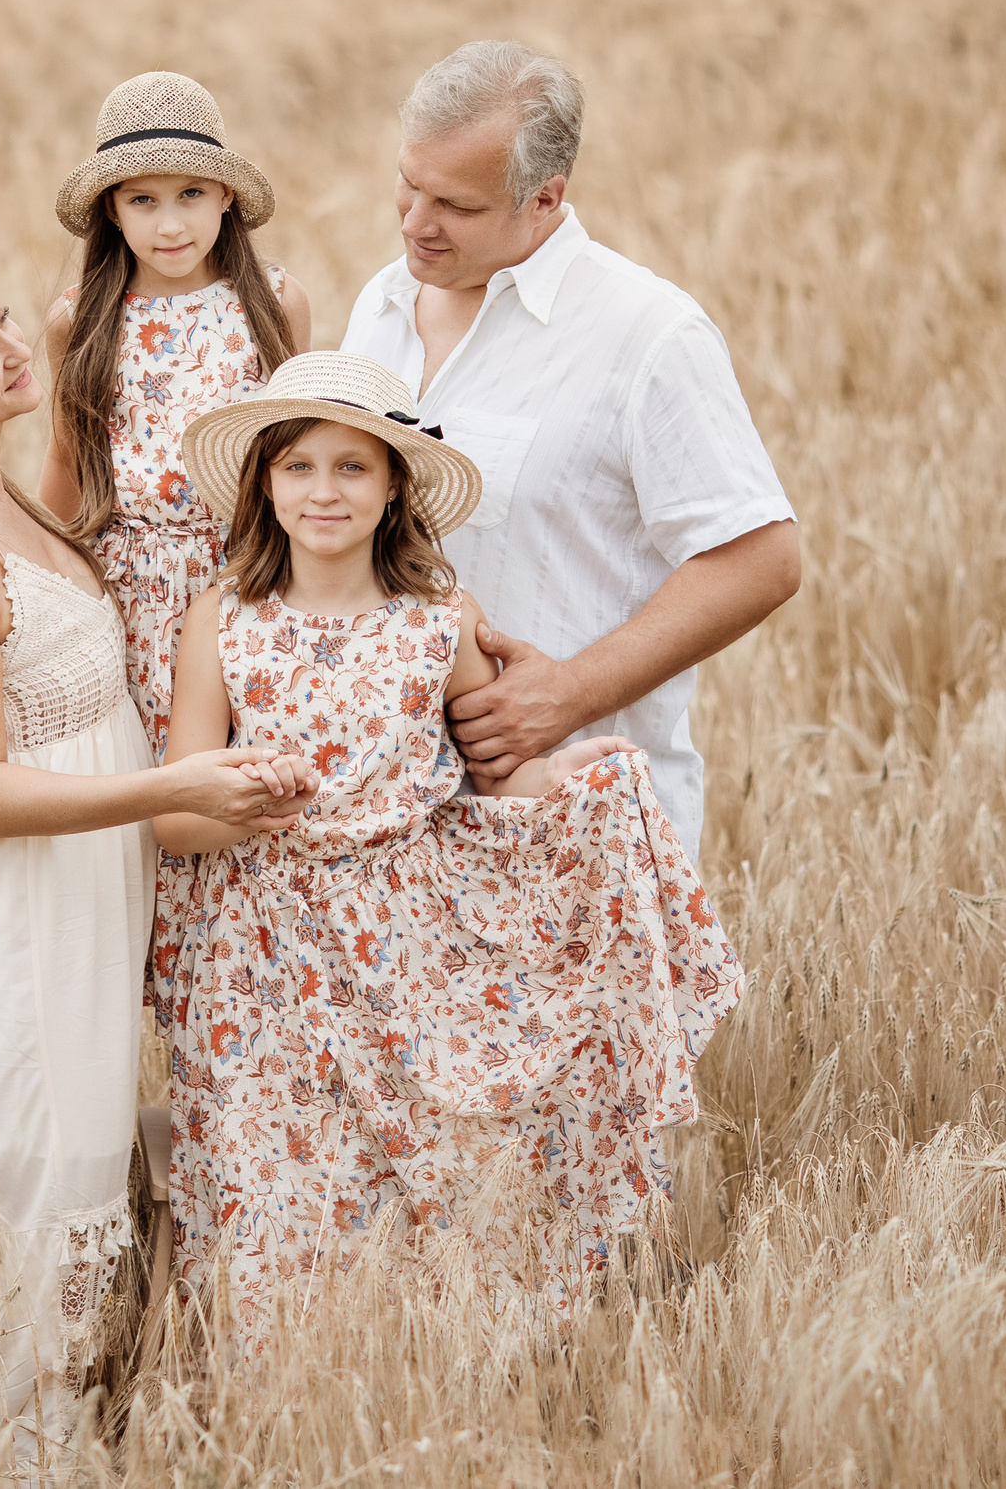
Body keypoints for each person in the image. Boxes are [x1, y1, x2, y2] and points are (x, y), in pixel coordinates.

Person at [0, 253, 316, 1473]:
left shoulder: (23, 509)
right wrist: (174, 791)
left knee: (85, 1194)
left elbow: (140, 501)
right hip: (18, 922)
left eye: (6, 320)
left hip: (84, 909)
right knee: (34, 1221)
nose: (13, 349)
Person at [151, 351, 746, 1345]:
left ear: (392, 490)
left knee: (418, 1183)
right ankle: (285, 1398)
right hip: (260, 957)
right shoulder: (221, 622)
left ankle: (424, 1380)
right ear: (264, 482)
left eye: (352, 468)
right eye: (297, 466)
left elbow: (497, 781)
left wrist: (585, 781)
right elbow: (177, 813)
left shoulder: (440, 620)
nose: (323, 491)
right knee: (275, 1186)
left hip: (408, 948)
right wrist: (259, 805)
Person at [337, 40, 802, 851]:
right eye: (407, 185)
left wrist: (567, 693)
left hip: (578, 824)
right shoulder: (381, 304)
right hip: (391, 829)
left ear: (547, 198)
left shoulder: (647, 333)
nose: (415, 222)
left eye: (455, 204)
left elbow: (763, 557)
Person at [38, 70, 313, 1058]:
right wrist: (27, 591)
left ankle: (254, 1060)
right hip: (130, 614)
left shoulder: (270, 304)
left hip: (241, 605)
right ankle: (144, 1095)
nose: (168, 223)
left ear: (227, 198)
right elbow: (68, 473)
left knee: (244, 820)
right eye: (142, 200)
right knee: (148, 835)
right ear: (110, 209)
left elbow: (297, 458)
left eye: (190, 195)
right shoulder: (81, 319)